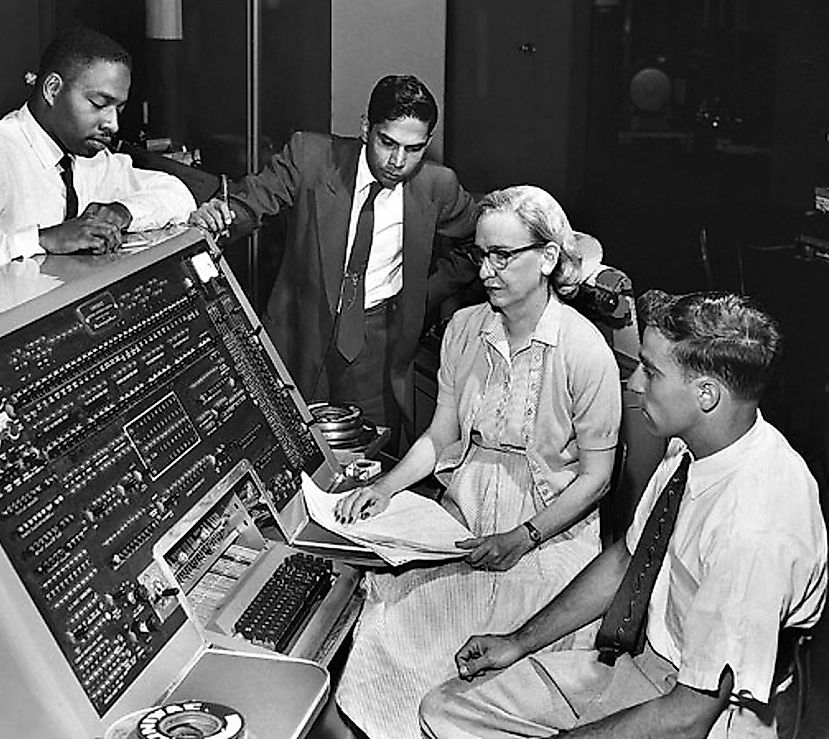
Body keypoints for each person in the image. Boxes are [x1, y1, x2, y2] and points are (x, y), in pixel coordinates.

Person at [420, 289, 828, 739]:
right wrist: (517, 642)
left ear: (706, 394)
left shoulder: (754, 527)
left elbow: (689, 718)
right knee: (444, 709)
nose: (634, 384)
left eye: (650, 372)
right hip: (646, 664)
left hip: (711, 715)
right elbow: (626, 559)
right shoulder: (693, 446)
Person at [331, 185, 622, 738]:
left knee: (462, 660)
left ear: (549, 259)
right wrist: (387, 487)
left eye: (503, 256)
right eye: (481, 254)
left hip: (549, 537)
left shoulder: (586, 352)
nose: (487, 269)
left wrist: (523, 537)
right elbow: (442, 433)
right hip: (464, 518)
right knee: (385, 615)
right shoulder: (464, 329)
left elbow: (596, 478)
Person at [189, 75, 479, 441]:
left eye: (414, 148)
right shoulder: (310, 157)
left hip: (379, 347)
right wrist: (222, 218)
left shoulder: (439, 185)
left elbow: (480, 239)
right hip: (302, 333)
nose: (397, 161)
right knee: (289, 450)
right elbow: (255, 200)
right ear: (365, 128)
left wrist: (423, 293)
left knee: (372, 457)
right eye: (387, 142)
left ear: (428, 143)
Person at [0, 27, 196, 274]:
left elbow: (177, 194)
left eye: (119, 109)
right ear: (53, 90)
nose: (113, 124)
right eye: (99, 104)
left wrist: (123, 212)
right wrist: (42, 240)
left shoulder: (93, 160)